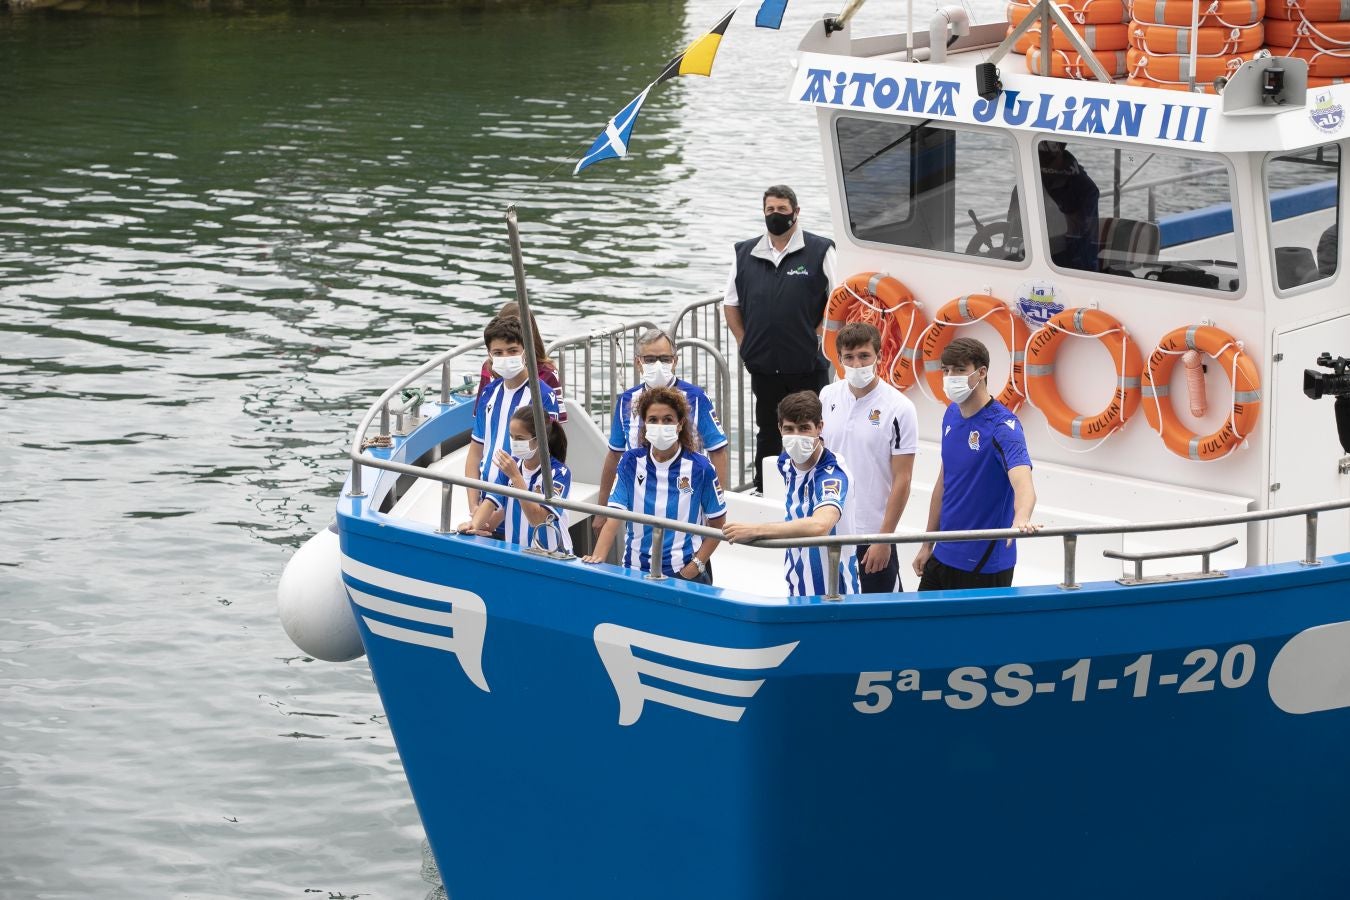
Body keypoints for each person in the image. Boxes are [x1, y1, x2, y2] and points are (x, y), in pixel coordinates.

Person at [723, 184, 837, 492]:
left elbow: (838, 301)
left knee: (809, 427)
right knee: (770, 430)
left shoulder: (820, 249)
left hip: (806, 363)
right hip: (763, 365)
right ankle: (766, 488)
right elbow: (730, 303)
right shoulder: (745, 252)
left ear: (796, 213)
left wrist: (817, 336)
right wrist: (744, 342)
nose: (776, 215)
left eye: (782, 210)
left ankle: (816, 486)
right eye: (770, 210)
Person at [912, 337, 1039, 591]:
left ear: (981, 373)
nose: (950, 377)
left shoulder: (1004, 428)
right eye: (946, 370)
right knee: (921, 629)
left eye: (960, 370)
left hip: (984, 563)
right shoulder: (951, 414)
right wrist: (927, 543)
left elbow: (1024, 483)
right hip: (943, 553)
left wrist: (1022, 518)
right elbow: (944, 483)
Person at [722, 391, 860, 597]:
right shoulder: (785, 461)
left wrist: (756, 529)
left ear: (819, 427)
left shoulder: (832, 475)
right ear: (779, 428)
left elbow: (820, 524)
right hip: (796, 575)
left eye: (804, 429)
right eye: (789, 429)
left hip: (832, 586)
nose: (796, 437)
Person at [582, 386, 726, 583]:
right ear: (644, 424)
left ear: (680, 423)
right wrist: (598, 558)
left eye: (668, 419)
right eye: (653, 420)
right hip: (634, 571)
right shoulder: (630, 462)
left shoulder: (701, 468)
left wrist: (694, 568)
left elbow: (718, 524)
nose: (660, 425)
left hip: (683, 573)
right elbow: (615, 517)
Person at [594, 328, 729, 533]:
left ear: (675, 361)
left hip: (686, 498)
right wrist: (602, 509)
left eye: (665, 358)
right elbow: (614, 454)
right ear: (638, 362)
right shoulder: (626, 401)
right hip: (639, 501)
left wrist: (715, 504)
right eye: (649, 359)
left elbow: (717, 451)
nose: (658, 365)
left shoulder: (697, 398)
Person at [819, 322, 917, 593]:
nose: (856, 363)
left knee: (883, 618)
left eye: (864, 356)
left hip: (871, 533)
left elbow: (903, 479)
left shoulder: (900, 408)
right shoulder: (827, 396)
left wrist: (883, 539)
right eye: (849, 357)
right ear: (839, 359)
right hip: (831, 527)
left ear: (879, 356)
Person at [465, 316, 561, 517]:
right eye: (498, 353)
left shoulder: (543, 396)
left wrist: (493, 517)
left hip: (520, 507)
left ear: (525, 351)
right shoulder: (489, 393)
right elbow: (475, 453)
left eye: (512, 351)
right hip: (484, 504)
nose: (505, 357)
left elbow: (549, 459)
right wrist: (474, 507)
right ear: (489, 355)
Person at [458, 407, 572, 553]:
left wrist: (516, 477)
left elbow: (537, 519)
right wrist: (473, 525)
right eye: (511, 437)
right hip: (517, 551)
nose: (514, 443)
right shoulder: (512, 466)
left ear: (540, 439)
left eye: (520, 439)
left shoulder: (559, 473)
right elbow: (491, 501)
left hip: (553, 555)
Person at [473, 301, 565, 422]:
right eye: (498, 352)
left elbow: (555, 427)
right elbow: (480, 418)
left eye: (512, 350)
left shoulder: (547, 373)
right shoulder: (488, 369)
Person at [1039, 141, 1100, 272]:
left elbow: (1078, 235)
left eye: (1045, 158)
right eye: (1038, 157)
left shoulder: (1083, 188)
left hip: (1073, 264)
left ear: (1059, 153)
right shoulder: (1029, 182)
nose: (1041, 163)